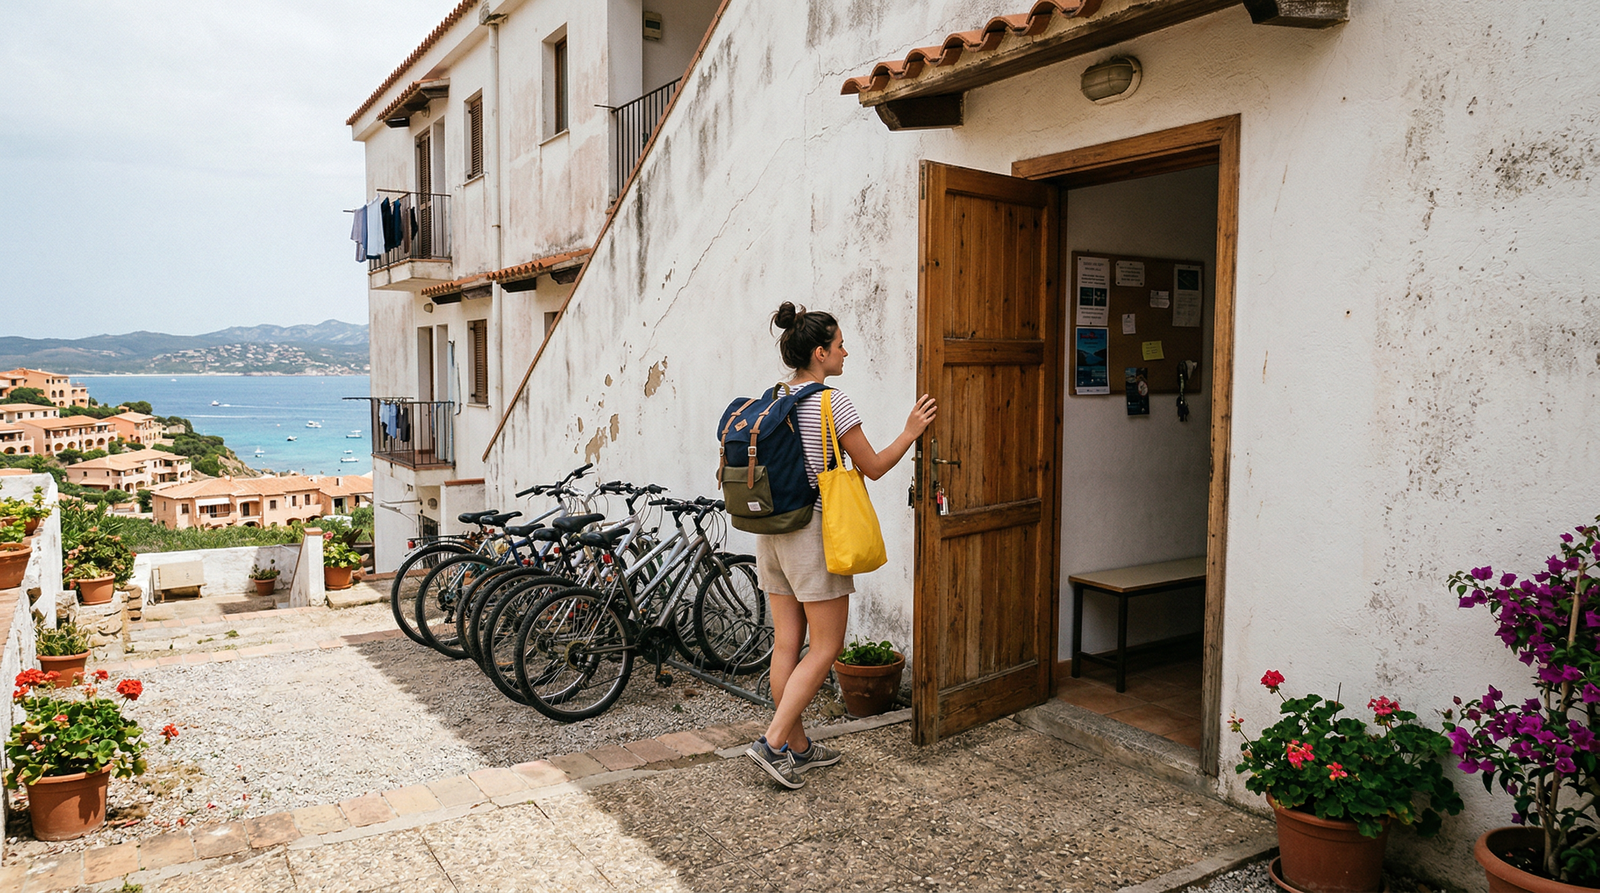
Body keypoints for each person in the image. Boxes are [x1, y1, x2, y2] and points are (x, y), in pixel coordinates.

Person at [744, 301, 937, 789]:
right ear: (819, 353)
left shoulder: (775, 397)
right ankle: (771, 743)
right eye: (839, 345)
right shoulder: (832, 402)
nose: (846, 352)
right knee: (826, 646)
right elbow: (871, 466)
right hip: (813, 534)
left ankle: (799, 747)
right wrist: (911, 432)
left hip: (773, 533)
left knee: (788, 643)